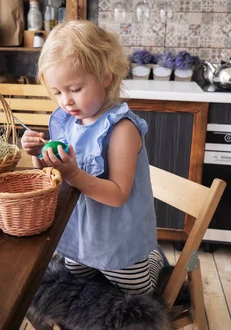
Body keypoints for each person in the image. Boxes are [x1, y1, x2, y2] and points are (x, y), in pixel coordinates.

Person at [21, 20, 163, 295]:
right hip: (80, 235)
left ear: (106, 77)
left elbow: (117, 195)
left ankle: (153, 260)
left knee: (137, 291)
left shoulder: (122, 129)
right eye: (58, 92)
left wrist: (74, 173)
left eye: (75, 89)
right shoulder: (66, 121)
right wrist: (39, 156)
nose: (66, 101)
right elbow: (52, 176)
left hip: (118, 239)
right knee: (74, 276)